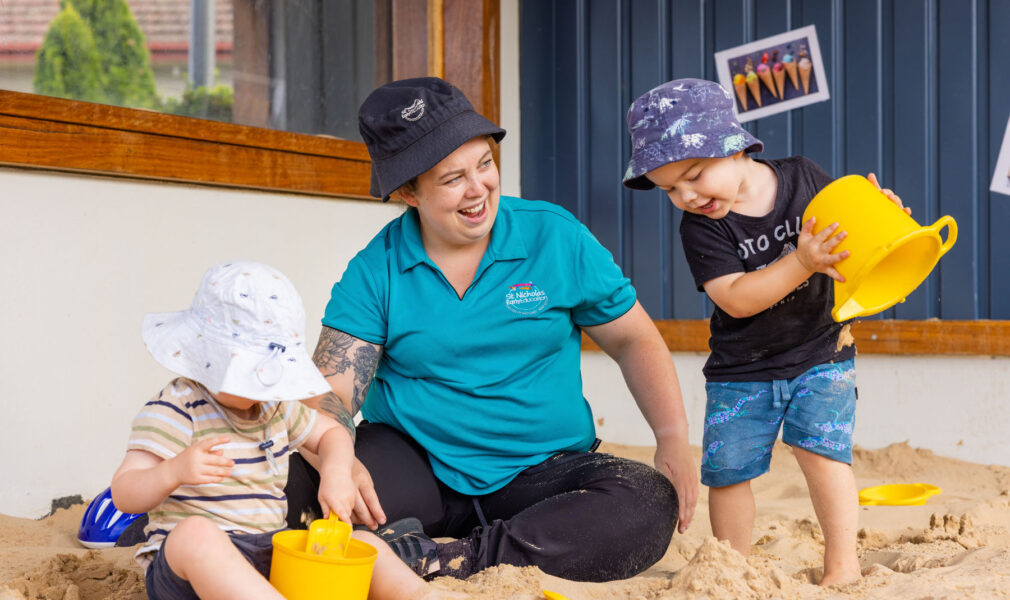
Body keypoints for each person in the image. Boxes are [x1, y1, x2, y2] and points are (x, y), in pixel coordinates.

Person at [286, 76, 698, 583]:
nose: (479, 187)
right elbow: (329, 394)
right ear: (409, 193)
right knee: (292, 479)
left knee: (645, 501)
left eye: (485, 163)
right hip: (418, 464)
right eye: (452, 178)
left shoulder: (555, 235)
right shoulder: (377, 269)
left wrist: (673, 437)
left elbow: (633, 339)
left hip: (543, 468)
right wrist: (336, 457)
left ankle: (445, 559)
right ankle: (466, 549)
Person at [622, 78, 909, 586]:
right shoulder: (703, 228)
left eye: (694, 175)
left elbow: (853, 237)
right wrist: (800, 260)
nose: (687, 195)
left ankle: (842, 567)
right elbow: (735, 297)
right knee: (729, 472)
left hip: (823, 350)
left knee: (824, 455)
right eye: (670, 189)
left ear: (735, 148)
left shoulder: (803, 177)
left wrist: (883, 217)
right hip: (742, 370)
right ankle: (732, 568)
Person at [110, 261, 453, 600]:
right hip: (188, 573)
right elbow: (124, 493)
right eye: (250, 376)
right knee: (196, 535)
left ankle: (419, 595)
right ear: (207, 358)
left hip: (264, 557)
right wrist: (172, 471)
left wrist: (336, 472)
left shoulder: (274, 407)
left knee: (361, 543)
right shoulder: (176, 407)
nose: (262, 389)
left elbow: (331, 434)